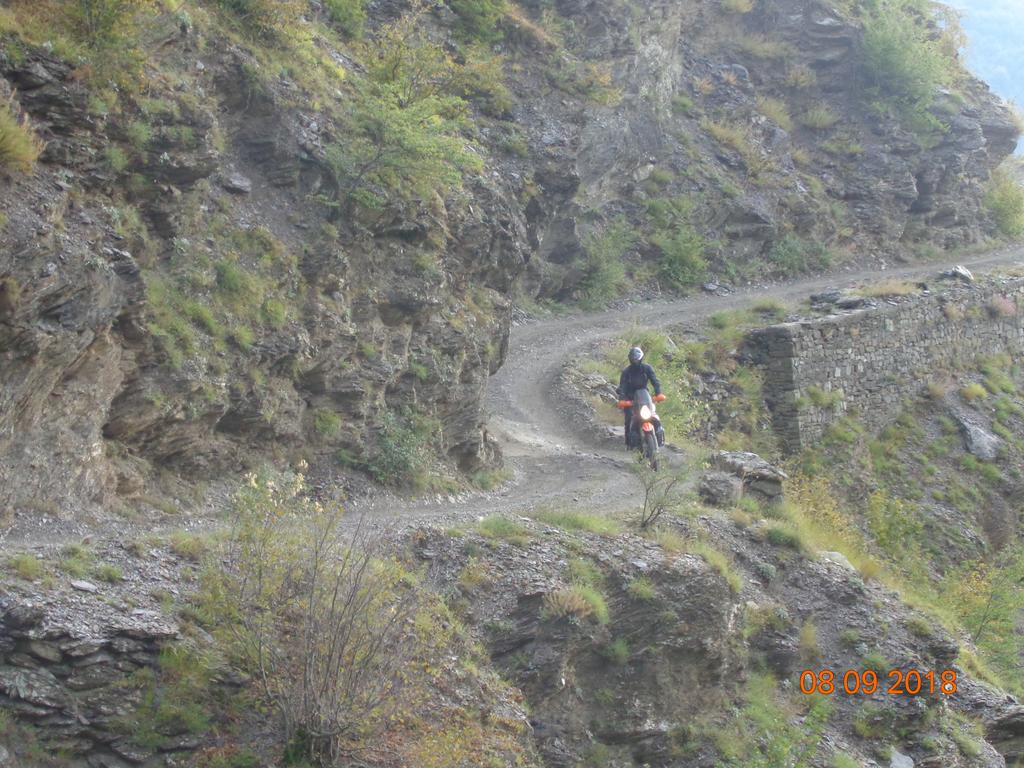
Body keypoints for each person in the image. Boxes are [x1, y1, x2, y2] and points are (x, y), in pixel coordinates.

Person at [617, 346, 663, 448]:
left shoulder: (647, 368)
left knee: (653, 414)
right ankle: (629, 443)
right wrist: (622, 399)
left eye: (637, 359)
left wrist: (658, 393)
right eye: (633, 360)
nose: (635, 362)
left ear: (641, 358)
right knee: (629, 418)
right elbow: (622, 386)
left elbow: (655, 381)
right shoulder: (626, 372)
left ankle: (659, 436)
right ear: (630, 360)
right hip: (630, 399)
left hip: (644, 396)